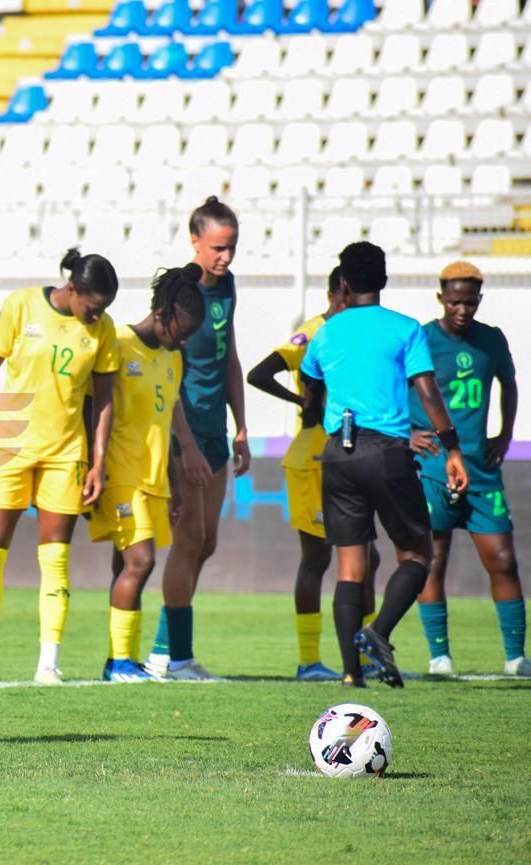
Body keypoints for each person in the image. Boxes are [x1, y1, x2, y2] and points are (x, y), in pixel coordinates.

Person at [300, 241, 469, 688]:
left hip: (338, 454)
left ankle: (350, 674)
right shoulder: (405, 328)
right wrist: (452, 448)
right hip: (388, 453)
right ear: (385, 280)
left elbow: (309, 388)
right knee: (418, 554)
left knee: (350, 569)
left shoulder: (326, 332)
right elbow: (427, 391)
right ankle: (377, 632)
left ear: (344, 283)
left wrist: (315, 413)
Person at [0, 248, 120, 685]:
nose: (97, 315)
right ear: (73, 289)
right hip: (8, 442)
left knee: (55, 557)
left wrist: (98, 462)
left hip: (66, 451)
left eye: (104, 309)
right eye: (93, 306)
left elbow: (104, 401)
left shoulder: (102, 330)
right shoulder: (21, 304)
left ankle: (49, 665)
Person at [247, 266, 380, 681]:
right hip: (313, 460)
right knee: (318, 559)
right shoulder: (312, 333)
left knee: (369, 559)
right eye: (351, 298)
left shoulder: (356, 333)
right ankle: (309, 661)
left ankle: (367, 655)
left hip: (351, 456)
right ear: (337, 294)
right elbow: (258, 373)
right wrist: (302, 403)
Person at [144, 197, 251, 681]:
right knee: (187, 540)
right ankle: (174, 658)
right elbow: (166, 371)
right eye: (217, 248)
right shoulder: (181, 294)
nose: (225, 257)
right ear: (194, 242)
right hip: (182, 435)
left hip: (215, 433)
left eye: (231, 247)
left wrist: (240, 426)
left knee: (206, 543)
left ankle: (165, 650)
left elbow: (229, 358)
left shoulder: (227, 287)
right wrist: (183, 445)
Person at [408, 261, 528, 677]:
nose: (462, 309)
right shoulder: (422, 339)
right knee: (433, 558)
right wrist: (408, 433)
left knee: (503, 559)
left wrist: (505, 433)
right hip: (432, 467)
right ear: (441, 297)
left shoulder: (491, 340)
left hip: (480, 468)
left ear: (479, 299)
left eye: (470, 302)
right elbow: (392, 388)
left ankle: (515, 658)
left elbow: (509, 385)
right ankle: (439, 657)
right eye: (455, 301)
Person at [89, 264, 204, 682]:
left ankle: (123, 659)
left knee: (125, 567)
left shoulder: (172, 358)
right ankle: (118, 662)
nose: (184, 340)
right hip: (120, 473)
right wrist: (92, 467)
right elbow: (93, 408)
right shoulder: (118, 344)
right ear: (161, 313)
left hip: (154, 479)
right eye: (181, 331)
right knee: (141, 562)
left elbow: (164, 424)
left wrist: (174, 485)